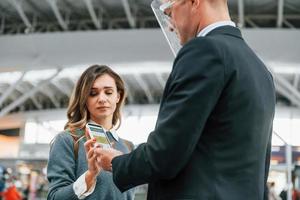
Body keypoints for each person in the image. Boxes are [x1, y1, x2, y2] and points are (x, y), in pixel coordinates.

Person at [96, 0, 276, 199]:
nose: (171, 24)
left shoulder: (204, 50)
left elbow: (165, 153)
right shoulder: (260, 70)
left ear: (193, 2)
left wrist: (117, 163)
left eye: (170, 11)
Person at [47, 65, 134, 200]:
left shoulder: (128, 147)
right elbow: (55, 197)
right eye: (93, 93)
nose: (102, 99)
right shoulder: (68, 140)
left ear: (118, 96)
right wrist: (90, 175)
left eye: (109, 92)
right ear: (84, 99)